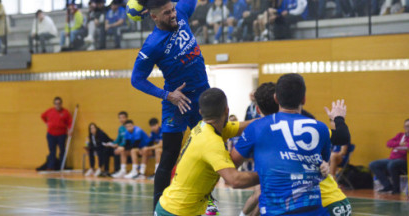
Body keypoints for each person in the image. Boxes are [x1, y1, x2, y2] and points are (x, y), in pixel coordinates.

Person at [130, 0, 210, 208]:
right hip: (177, 102)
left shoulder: (181, 14)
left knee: (207, 152)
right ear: (153, 17)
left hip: (202, 97)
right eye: (166, 13)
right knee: (169, 156)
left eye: (172, 9)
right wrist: (167, 95)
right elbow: (136, 79)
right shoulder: (153, 44)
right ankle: (158, 208)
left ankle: (209, 202)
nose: (172, 14)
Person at [236, 83, 352, 216]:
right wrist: (337, 119)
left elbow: (249, 187)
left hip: (321, 204)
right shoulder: (304, 125)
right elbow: (341, 137)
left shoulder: (261, 132)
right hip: (334, 200)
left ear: (257, 109)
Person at [154, 88, 259, 216]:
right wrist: (270, 174)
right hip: (176, 212)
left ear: (200, 111)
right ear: (227, 110)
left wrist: (272, 119)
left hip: (176, 208)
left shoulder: (204, 126)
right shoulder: (211, 142)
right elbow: (234, 180)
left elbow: (242, 126)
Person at [369, 119, 409, 194]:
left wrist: (401, 145)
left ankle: (396, 189)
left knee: (392, 164)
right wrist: (399, 144)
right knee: (373, 164)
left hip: (404, 161)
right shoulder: (400, 135)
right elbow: (389, 143)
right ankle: (387, 186)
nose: (407, 128)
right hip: (392, 158)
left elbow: (407, 147)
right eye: (406, 126)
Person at [41, 97, 73, 170]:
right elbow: (42, 116)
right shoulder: (50, 111)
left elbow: (70, 122)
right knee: (52, 151)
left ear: (61, 104)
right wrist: (47, 123)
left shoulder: (65, 112)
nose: (57, 105)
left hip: (61, 135)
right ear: (54, 104)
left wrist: (69, 129)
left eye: (59, 103)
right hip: (51, 135)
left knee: (62, 150)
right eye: (56, 104)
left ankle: (62, 166)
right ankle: (51, 166)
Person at [103, 111, 129, 178]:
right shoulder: (120, 128)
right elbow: (118, 139)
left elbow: (128, 140)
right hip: (121, 145)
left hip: (128, 146)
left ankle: (119, 170)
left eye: (123, 117)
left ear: (126, 118)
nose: (121, 119)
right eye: (120, 118)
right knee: (107, 150)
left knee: (118, 150)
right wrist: (111, 143)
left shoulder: (129, 126)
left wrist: (120, 146)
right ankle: (106, 170)